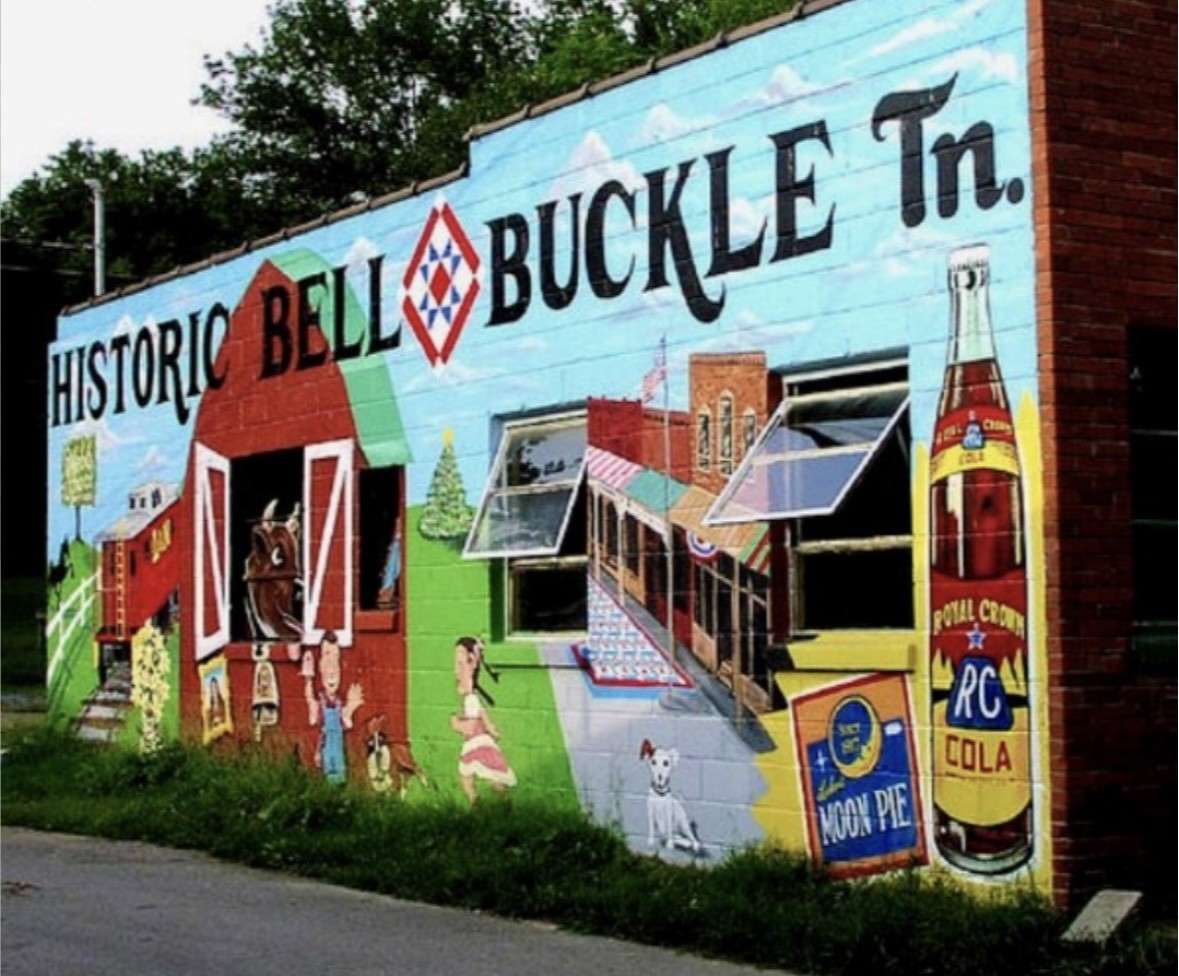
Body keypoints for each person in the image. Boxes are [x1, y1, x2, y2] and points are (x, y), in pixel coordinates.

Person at [450, 636, 516, 804]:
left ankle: (485, 802)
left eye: (460, 664)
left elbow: (472, 725)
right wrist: (489, 725)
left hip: (476, 739)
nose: (456, 671)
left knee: (478, 774)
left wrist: (457, 724)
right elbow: (480, 712)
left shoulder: (471, 697)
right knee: (470, 774)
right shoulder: (471, 698)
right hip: (476, 738)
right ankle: (481, 803)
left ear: (472, 663)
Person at [303, 631, 364, 784]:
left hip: (338, 742)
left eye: (335, 663)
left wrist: (351, 706)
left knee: (339, 767)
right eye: (327, 662)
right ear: (320, 667)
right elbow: (311, 705)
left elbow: (347, 721)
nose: (332, 671)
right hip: (326, 743)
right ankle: (329, 790)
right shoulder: (320, 702)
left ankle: (338, 789)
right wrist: (308, 679)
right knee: (328, 768)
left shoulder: (339, 703)